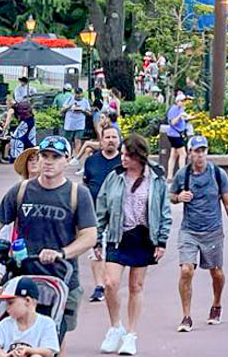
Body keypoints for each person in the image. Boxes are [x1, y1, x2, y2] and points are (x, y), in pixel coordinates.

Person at [0, 135, 98, 350]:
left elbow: (90, 236)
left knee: (54, 338)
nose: (48, 161)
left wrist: (62, 252)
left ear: (66, 159)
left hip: (61, 278)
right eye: (44, 155)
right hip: (21, 278)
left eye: (55, 156)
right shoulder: (22, 191)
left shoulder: (77, 194)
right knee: (10, 334)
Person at [96, 134, 172, 356]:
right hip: (118, 236)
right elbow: (102, 206)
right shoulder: (115, 176)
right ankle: (115, 327)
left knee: (135, 287)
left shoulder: (155, 178)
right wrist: (97, 237)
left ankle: (131, 334)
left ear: (139, 156)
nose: (123, 159)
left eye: (127, 155)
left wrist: (162, 241)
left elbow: (164, 211)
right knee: (110, 283)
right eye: (122, 154)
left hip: (143, 237)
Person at [169, 135, 228, 332]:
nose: (200, 155)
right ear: (190, 153)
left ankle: (217, 304)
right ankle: (186, 316)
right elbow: (170, 196)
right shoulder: (183, 175)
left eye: (203, 150)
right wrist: (178, 197)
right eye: (196, 151)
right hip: (189, 230)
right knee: (186, 270)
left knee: (216, 272)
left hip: (212, 231)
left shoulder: (218, 174)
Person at [83, 126, 122, 304]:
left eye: (114, 137)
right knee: (95, 249)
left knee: (113, 248)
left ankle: (111, 281)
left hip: (118, 212)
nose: (111, 140)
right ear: (101, 140)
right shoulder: (91, 161)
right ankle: (99, 285)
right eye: (107, 137)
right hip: (93, 211)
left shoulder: (124, 161)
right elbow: (86, 181)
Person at [0, 277, 60, 357]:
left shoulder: (46, 323)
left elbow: (48, 351)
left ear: (27, 301)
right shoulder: (5, 323)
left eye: (10, 303)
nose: (7, 308)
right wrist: (4, 355)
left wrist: (28, 350)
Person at [165, 92, 193, 182]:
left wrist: (191, 117)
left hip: (177, 134)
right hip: (175, 135)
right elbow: (173, 122)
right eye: (182, 101)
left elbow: (184, 118)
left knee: (173, 155)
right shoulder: (173, 110)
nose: (184, 103)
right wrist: (179, 116)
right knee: (183, 154)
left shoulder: (181, 109)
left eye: (184, 101)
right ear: (177, 101)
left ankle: (170, 176)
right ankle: (182, 175)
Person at [61, 87, 91, 154]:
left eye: (79, 94)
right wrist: (69, 107)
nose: (78, 95)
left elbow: (89, 113)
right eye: (77, 94)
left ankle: (76, 157)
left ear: (82, 94)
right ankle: (69, 154)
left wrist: (82, 110)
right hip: (69, 123)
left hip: (80, 123)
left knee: (78, 139)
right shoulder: (69, 99)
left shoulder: (85, 101)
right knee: (68, 140)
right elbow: (62, 110)